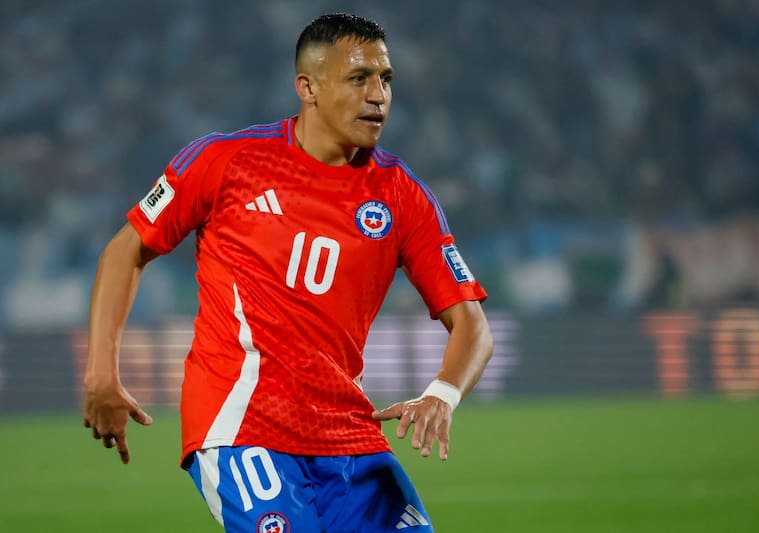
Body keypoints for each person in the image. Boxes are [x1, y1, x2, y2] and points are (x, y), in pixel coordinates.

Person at [83, 12, 493, 533]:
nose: (378, 95)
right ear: (308, 88)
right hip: (242, 424)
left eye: (386, 79)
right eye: (359, 77)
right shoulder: (227, 161)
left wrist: (443, 394)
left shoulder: (401, 195)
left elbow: (473, 324)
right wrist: (101, 375)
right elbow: (125, 251)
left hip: (348, 433)